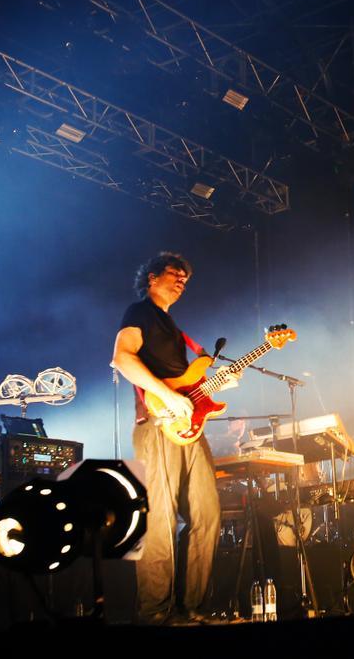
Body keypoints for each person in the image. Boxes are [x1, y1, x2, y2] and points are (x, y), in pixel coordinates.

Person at [112, 251, 237, 625]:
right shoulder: (139, 312)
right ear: (152, 277)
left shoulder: (173, 326)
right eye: (174, 273)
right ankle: (155, 613)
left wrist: (217, 384)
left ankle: (192, 607)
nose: (182, 280)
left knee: (207, 513)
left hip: (187, 429)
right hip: (156, 424)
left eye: (186, 277)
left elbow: (187, 383)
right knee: (160, 517)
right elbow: (122, 358)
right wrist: (167, 397)